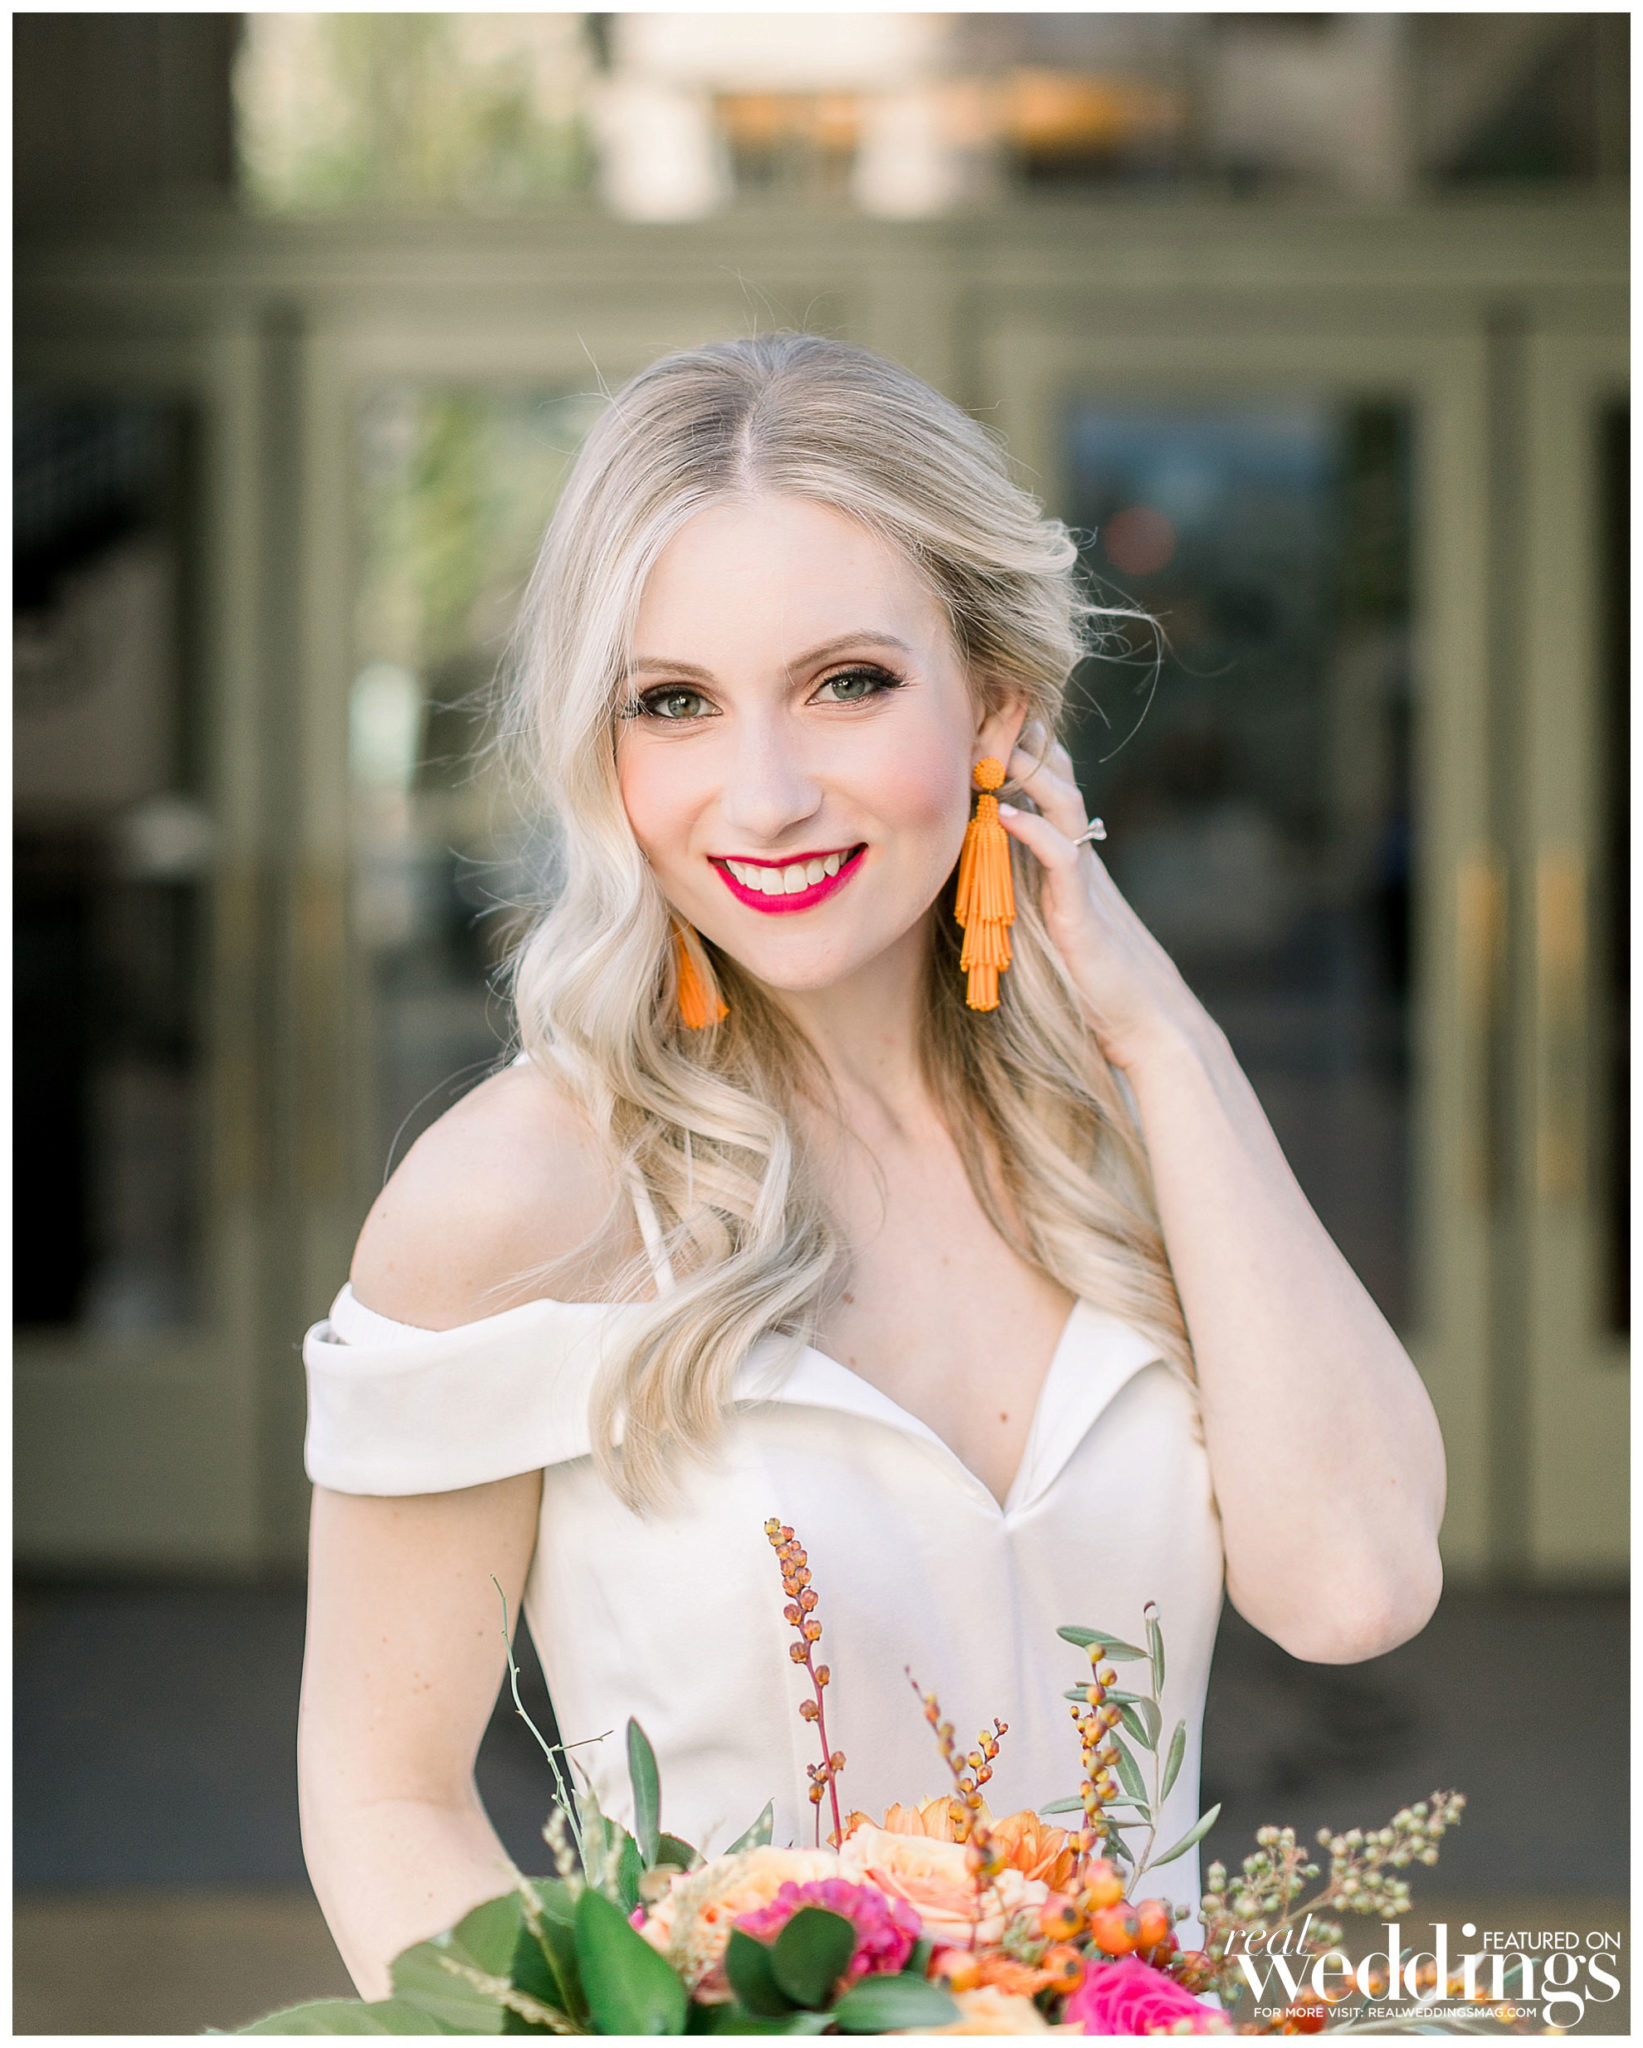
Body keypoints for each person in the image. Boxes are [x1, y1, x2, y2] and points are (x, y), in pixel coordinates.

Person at [298, 334, 1446, 2001]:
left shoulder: (1131, 1129)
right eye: (674, 704)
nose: (764, 796)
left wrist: (1167, 1035)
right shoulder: (521, 1199)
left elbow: (1355, 1591)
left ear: (997, 703)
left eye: (847, 683)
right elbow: (383, 1795)